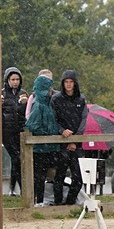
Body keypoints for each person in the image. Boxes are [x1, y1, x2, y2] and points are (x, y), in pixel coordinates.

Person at [24, 74, 63, 207]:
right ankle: (38, 200)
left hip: (49, 146)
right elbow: (31, 124)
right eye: (48, 87)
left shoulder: (48, 103)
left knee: (48, 174)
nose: (51, 90)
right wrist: (47, 132)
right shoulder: (38, 104)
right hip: (40, 147)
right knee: (39, 176)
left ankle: (43, 200)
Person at [51, 69, 89, 205]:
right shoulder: (56, 99)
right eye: (66, 82)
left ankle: (70, 203)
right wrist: (62, 131)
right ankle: (57, 203)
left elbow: (84, 120)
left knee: (78, 177)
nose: (68, 84)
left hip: (77, 143)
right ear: (63, 83)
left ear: (75, 83)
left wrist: (75, 139)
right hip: (61, 142)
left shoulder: (81, 99)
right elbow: (53, 119)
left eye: (71, 82)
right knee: (59, 175)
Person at [1, 67, 28, 195]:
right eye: (13, 79)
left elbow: (26, 113)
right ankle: (21, 188)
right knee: (16, 157)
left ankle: (12, 188)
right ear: (7, 80)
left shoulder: (23, 93)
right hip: (6, 132)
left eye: (17, 79)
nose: (15, 82)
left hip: (19, 131)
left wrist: (26, 104)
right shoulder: (2, 94)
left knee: (17, 159)